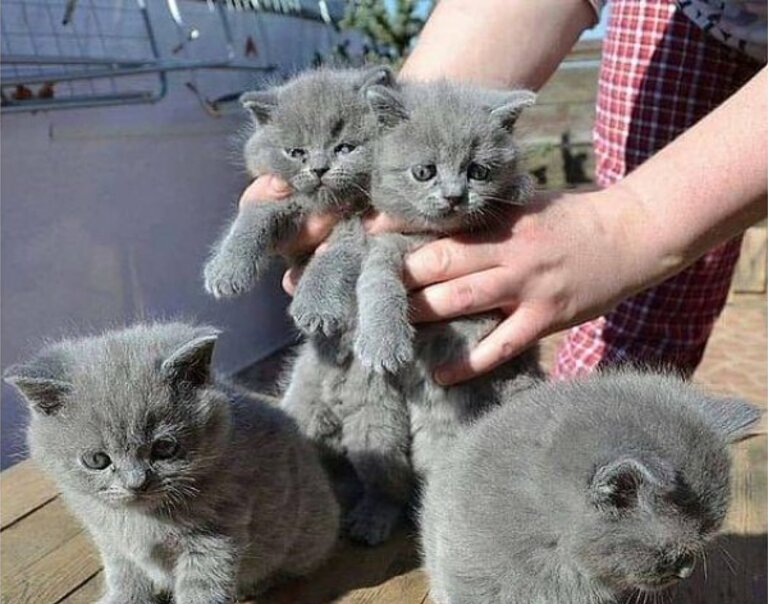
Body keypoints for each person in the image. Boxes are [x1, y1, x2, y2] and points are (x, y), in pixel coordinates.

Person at [241, 0, 767, 385]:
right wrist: (396, 132)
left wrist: (626, 228)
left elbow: (624, 237)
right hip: (695, 12)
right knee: (633, 317)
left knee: (628, 265)